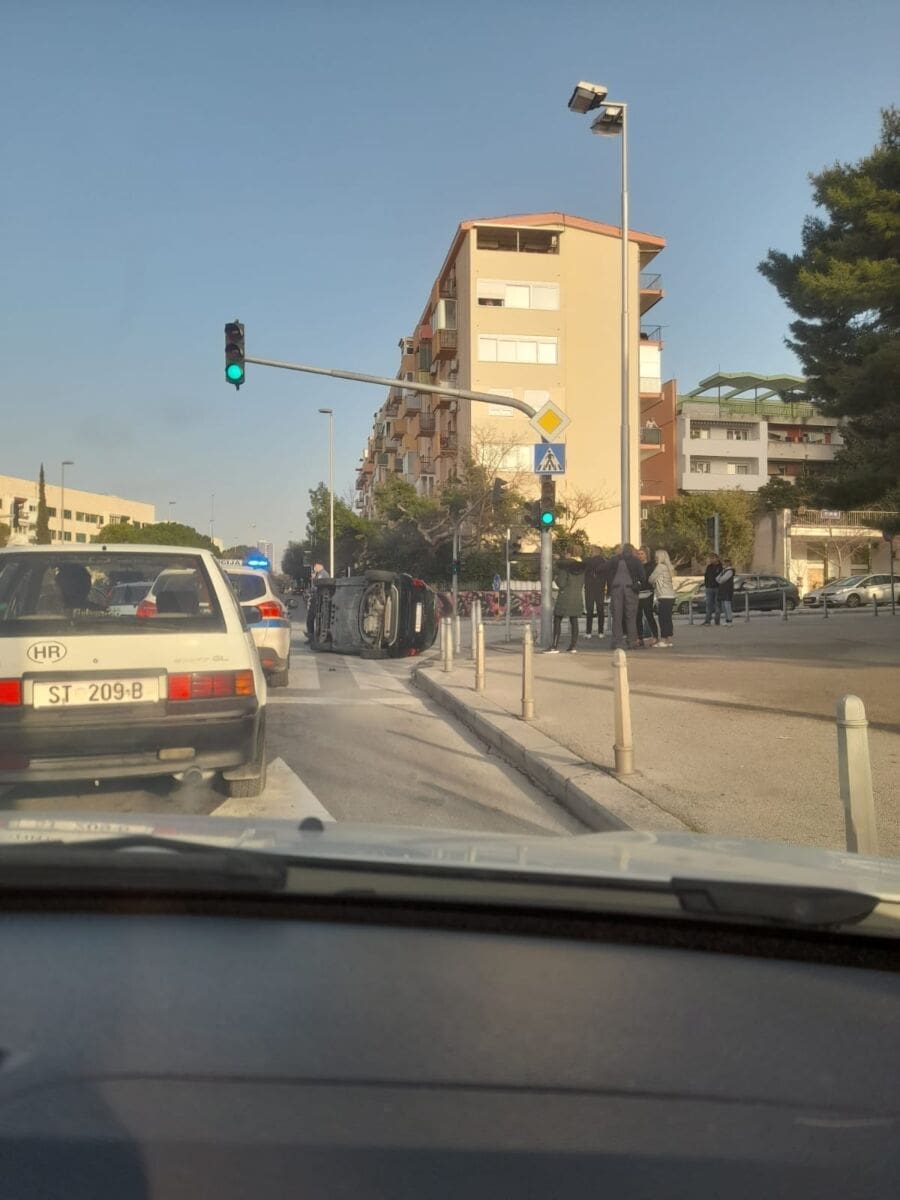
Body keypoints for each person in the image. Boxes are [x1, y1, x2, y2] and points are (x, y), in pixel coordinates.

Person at [606, 543, 642, 651]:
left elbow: (603, 569)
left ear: (622, 550)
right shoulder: (636, 561)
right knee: (631, 617)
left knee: (617, 617)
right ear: (632, 550)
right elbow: (643, 577)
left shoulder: (614, 560)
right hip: (630, 590)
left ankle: (617, 642)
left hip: (616, 590)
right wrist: (636, 584)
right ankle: (632, 642)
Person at [547, 557, 585, 653]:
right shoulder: (581, 572)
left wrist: (556, 578)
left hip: (564, 597)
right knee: (574, 620)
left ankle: (554, 646)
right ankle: (573, 646)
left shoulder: (565, 570)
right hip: (577, 598)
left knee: (557, 619)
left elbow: (561, 583)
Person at [649, 549, 676, 647]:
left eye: (656, 557)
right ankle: (669, 640)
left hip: (663, 595)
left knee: (662, 619)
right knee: (668, 619)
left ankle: (663, 640)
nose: (655, 558)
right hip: (670, 595)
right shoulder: (669, 567)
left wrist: (654, 582)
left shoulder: (660, 567)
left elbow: (651, 579)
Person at [635, 548, 659, 647]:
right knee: (638, 616)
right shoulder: (637, 565)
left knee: (649, 615)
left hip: (648, 593)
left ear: (646, 555)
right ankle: (640, 638)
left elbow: (651, 579)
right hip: (637, 593)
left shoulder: (651, 566)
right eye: (639, 554)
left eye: (642, 554)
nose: (640, 556)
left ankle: (655, 636)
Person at [582, 548, 607, 638]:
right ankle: (601, 632)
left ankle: (588, 632)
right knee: (600, 610)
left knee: (590, 610)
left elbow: (583, 571)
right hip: (600, 588)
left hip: (589, 588)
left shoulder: (587, 561)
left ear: (593, 552)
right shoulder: (604, 561)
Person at [702, 553, 722, 626]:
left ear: (717, 558)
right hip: (709, 588)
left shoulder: (720, 567)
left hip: (717, 588)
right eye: (710, 558)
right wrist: (706, 585)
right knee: (708, 605)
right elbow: (706, 576)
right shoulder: (709, 567)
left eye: (713, 558)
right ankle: (707, 620)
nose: (711, 560)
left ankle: (717, 620)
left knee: (717, 605)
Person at [717, 558, 736, 625]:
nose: (724, 564)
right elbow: (717, 578)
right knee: (723, 606)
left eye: (726, 562)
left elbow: (723, 579)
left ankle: (729, 619)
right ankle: (727, 619)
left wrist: (720, 580)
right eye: (724, 563)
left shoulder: (730, 571)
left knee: (727, 605)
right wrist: (720, 579)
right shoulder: (724, 570)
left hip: (728, 590)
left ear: (729, 563)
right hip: (722, 589)